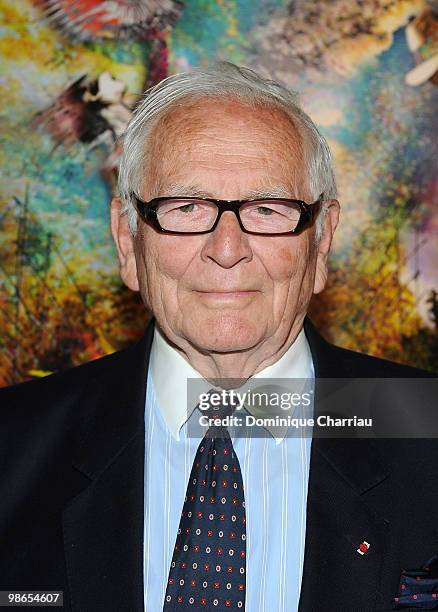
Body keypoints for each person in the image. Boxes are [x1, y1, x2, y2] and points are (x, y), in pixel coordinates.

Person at [0, 62, 436, 612]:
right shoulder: (12, 446)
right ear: (127, 242)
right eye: (186, 208)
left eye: (266, 209)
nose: (227, 248)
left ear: (321, 242)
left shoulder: (426, 427)